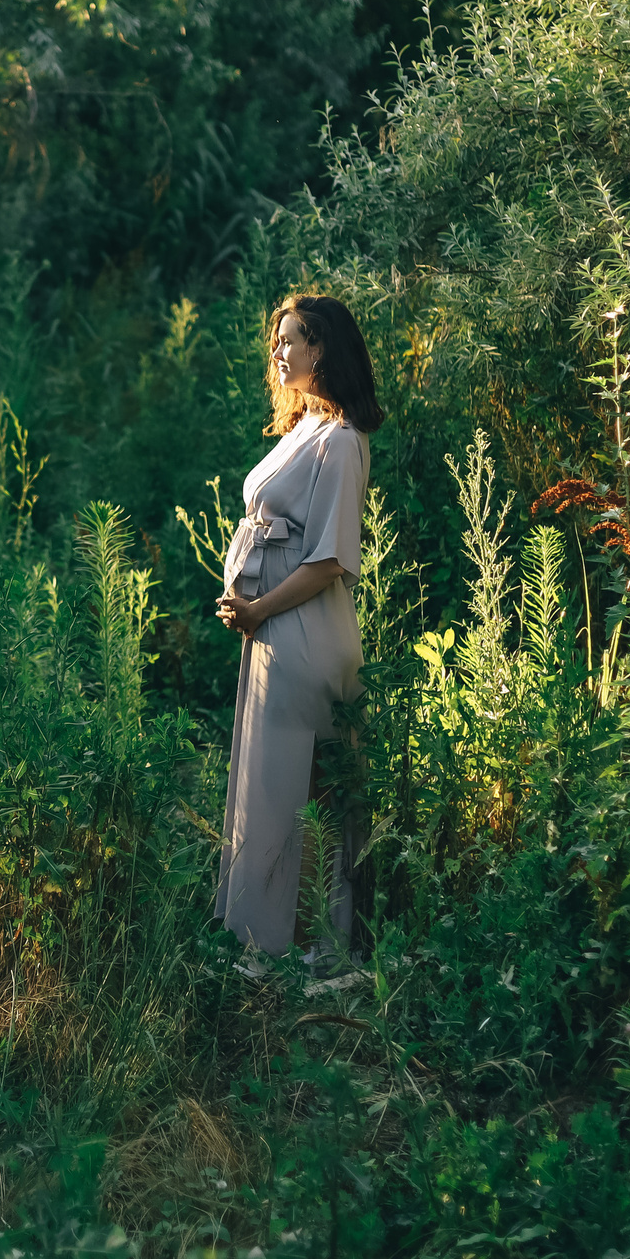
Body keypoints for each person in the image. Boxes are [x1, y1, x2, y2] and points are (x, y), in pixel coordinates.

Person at [213, 293, 382, 960]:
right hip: (273, 631)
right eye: (276, 340)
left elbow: (330, 560)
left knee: (299, 787)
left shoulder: (341, 441)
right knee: (272, 783)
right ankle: (266, 937)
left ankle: (308, 942)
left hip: (304, 631)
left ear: (324, 349)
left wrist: (257, 607)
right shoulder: (307, 427)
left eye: (292, 340)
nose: (278, 351)